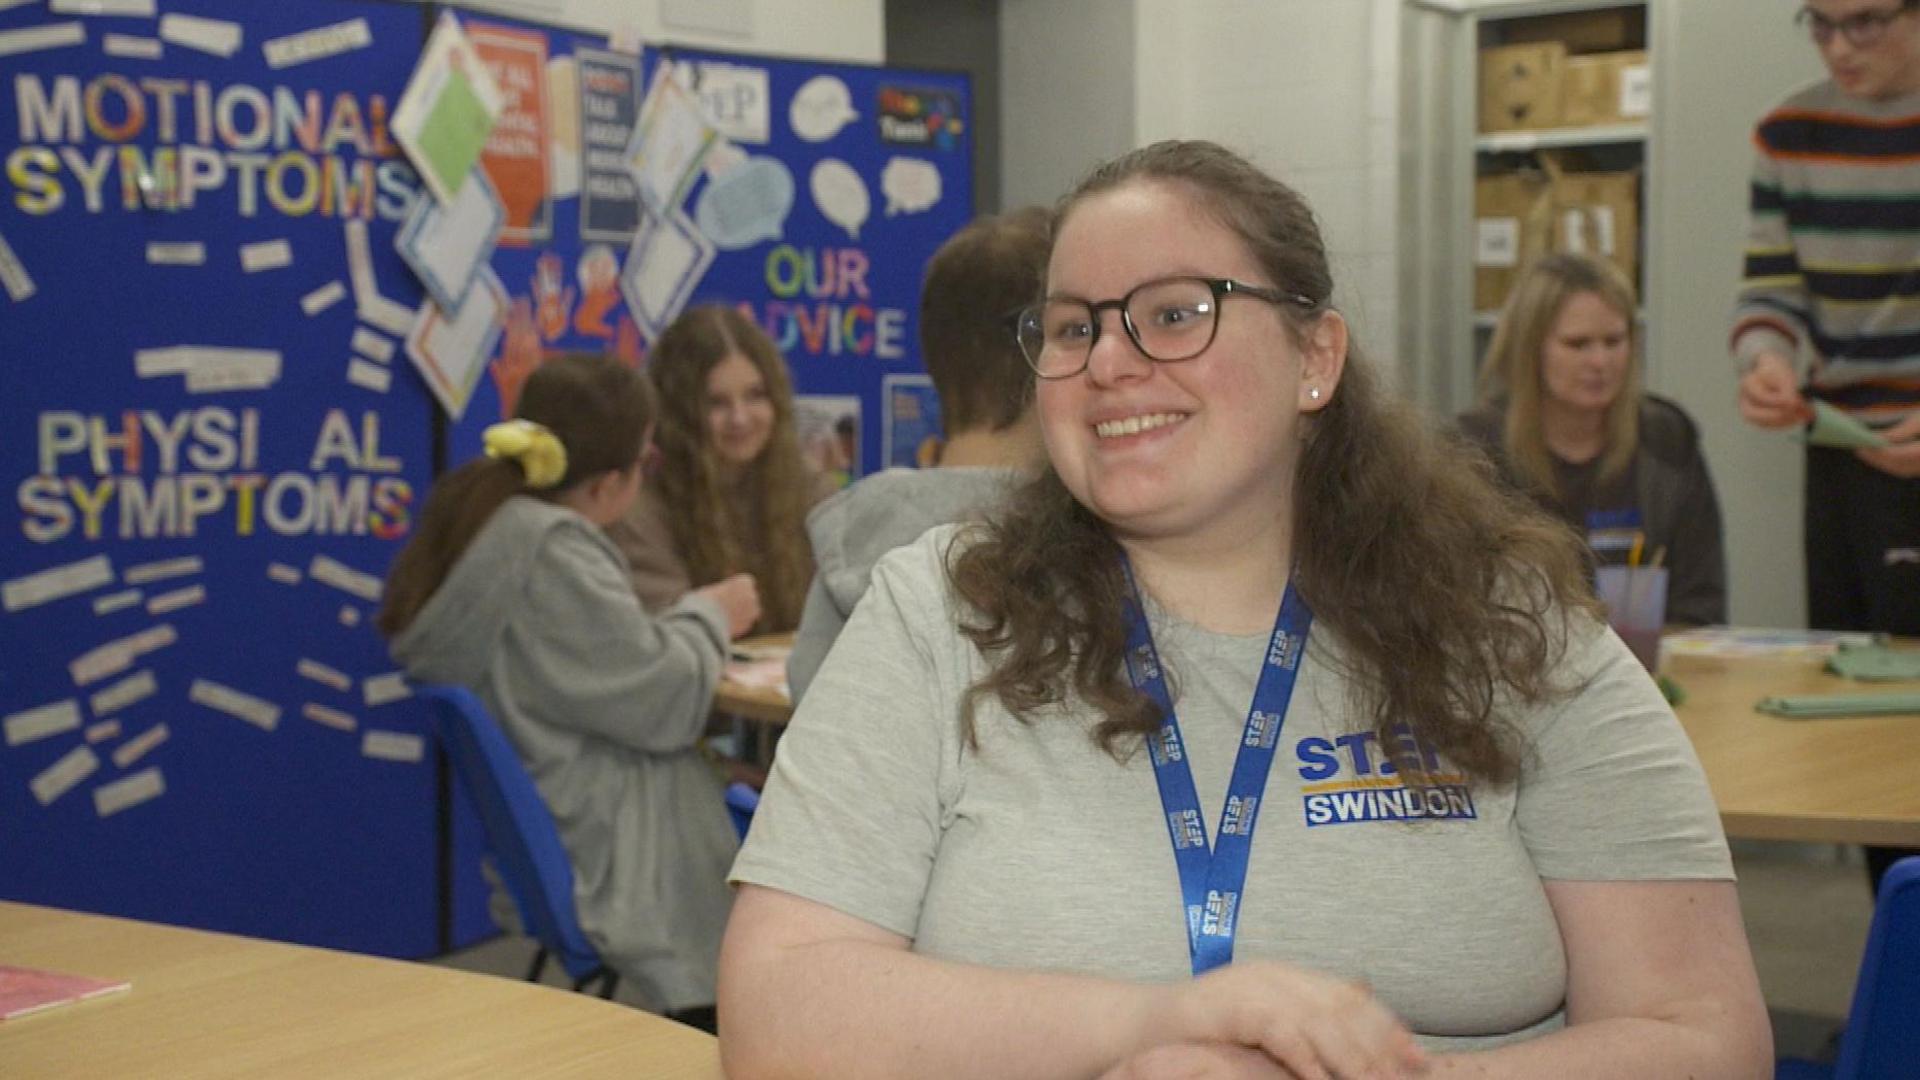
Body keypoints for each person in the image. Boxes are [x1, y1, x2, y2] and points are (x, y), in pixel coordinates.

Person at [717, 141, 1770, 1077]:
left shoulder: (1506, 629)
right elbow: (776, 1012)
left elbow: (1701, 1033)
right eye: (1074, 327)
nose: (1111, 364)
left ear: (1315, 358)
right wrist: (1154, 1023)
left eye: (1175, 312)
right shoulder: (935, 612)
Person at [378, 354, 760, 1026]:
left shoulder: (496, 529)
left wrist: (684, 621)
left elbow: (609, 667)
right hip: (611, 844)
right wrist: (710, 615)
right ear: (609, 481)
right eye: (645, 461)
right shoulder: (554, 553)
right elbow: (662, 702)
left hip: (566, 818)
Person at [1731, 0, 1920, 892]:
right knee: (1859, 703)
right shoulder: (1789, 133)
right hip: (1846, 457)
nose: (1840, 47)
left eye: (1867, 23)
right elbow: (1771, 288)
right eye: (1821, 23)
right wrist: (1767, 359)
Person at [785, 206, 1051, 704]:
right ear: (1048, 350)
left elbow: (806, 696)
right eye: (1079, 331)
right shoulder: (1065, 540)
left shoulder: (860, 529)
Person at [1459, 253, 1728, 626]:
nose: (1600, 362)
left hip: (1651, 673)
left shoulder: (1668, 439)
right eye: (1578, 344)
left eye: (1614, 341)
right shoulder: (1472, 450)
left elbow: (1699, 605)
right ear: (1530, 349)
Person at [606, 305, 836, 635]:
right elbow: (665, 646)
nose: (740, 418)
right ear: (678, 414)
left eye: (755, 396)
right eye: (716, 403)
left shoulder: (807, 486)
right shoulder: (638, 507)